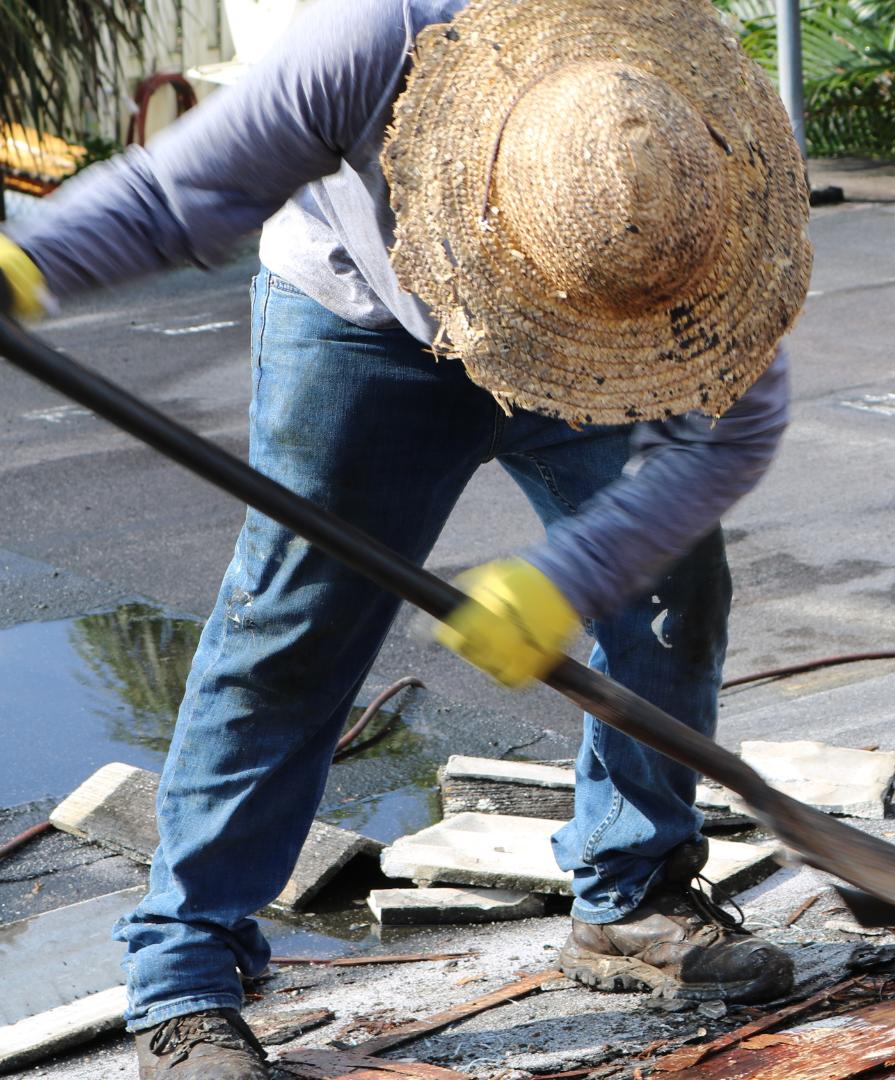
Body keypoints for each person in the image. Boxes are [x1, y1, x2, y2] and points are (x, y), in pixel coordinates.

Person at [0, 0, 811, 1075]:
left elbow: (730, 441)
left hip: (602, 345)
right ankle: (186, 966)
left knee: (674, 591)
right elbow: (174, 190)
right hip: (363, 326)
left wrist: (570, 578)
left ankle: (633, 894)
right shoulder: (373, 39)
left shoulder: (692, 175)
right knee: (293, 624)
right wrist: (30, 262)